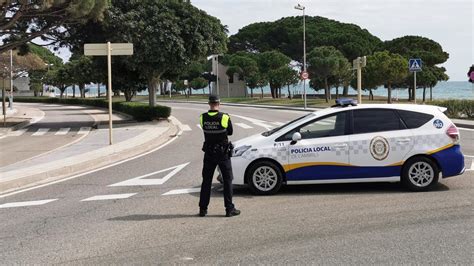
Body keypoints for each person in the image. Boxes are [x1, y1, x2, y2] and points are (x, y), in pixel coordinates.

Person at [199, 95, 240, 217]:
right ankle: (229, 209)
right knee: (227, 180)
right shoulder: (224, 117)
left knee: (206, 181)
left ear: (209, 104)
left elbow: (204, 128)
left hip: (209, 153)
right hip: (223, 153)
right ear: (219, 103)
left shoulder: (202, 117)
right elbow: (230, 132)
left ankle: (203, 209)